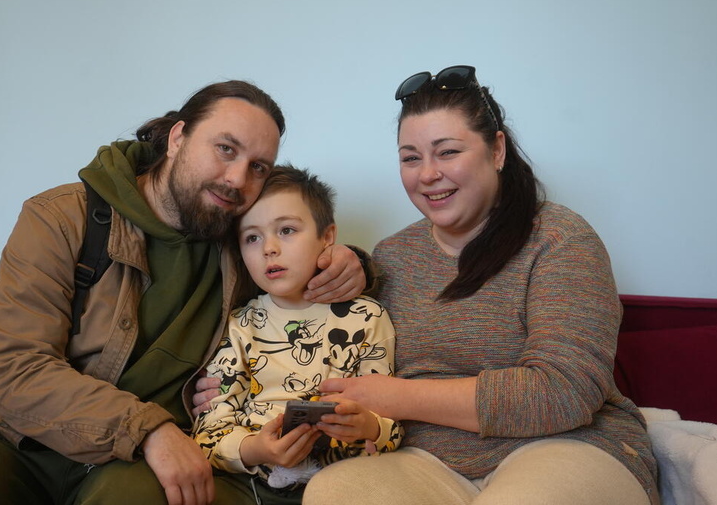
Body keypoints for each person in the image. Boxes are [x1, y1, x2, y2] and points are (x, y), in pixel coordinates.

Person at [195, 66, 660, 505]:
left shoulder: (559, 238)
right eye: (410, 158)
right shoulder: (391, 257)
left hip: (563, 446)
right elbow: (311, 328)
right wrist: (228, 391)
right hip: (425, 461)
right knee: (335, 493)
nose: (428, 174)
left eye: (448, 152)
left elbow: (564, 392)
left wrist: (396, 396)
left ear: (497, 150)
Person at [0, 80, 370, 505]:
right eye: (226, 149)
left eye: (259, 167)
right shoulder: (60, 217)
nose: (238, 180)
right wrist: (148, 429)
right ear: (178, 138)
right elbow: (15, 366)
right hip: (17, 441)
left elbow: (303, 265)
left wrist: (354, 262)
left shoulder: (240, 243)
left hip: (134, 468)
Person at [193, 165, 402, 503]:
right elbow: (209, 434)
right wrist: (254, 449)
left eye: (286, 230)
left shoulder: (368, 318)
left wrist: (371, 428)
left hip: (347, 483)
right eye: (252, 237)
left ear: (328, 236)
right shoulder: (237, 327)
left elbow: (393, 423)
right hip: (254, 485)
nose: (269, 248)